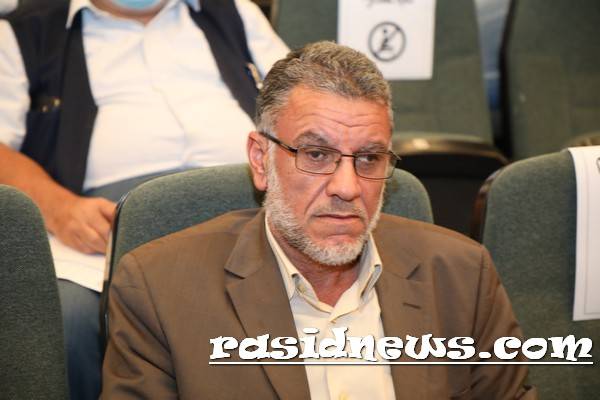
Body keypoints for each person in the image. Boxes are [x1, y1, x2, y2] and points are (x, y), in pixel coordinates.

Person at [102, 41, 537, 399]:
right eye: (316, 154)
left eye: (369, 158)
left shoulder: (463, 276)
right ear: (261, 159)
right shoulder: (159, 290)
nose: (347, 187)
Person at [0, 0, 288, 398]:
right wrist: (58, 207)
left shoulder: (233, 12)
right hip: (105, 227)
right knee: (66, 317)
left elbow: (306, 102)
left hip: (252, 207)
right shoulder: (24, 32)